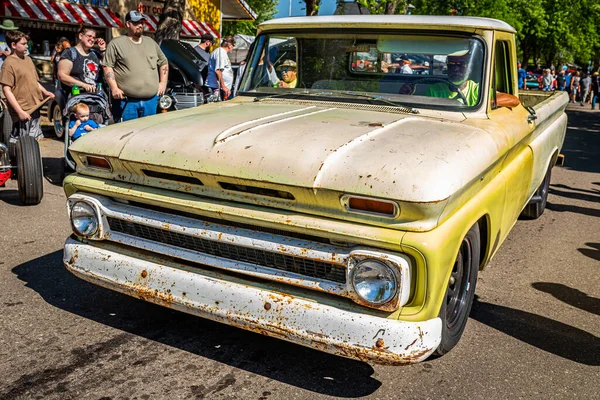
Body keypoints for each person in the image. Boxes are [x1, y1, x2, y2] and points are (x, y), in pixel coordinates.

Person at [102, 11, 168, 122]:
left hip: (151, 101)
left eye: (141, 22)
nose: (140, 25)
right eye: (136, 22)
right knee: (127, 135)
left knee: (149, 133)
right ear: (128, 24)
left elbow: (163, 62)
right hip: (127, 102)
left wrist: (163, 83)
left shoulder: (151, 43)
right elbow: (107, 66)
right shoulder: (116, 43)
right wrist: (114, 88)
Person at [0, 30, 54, 142]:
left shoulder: (28, 59)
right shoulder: (8, 63)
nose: (26, 46)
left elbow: (34, 81)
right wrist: (19, 112)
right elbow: (6, 90)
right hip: (23, 110)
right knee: (22, 145)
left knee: (34, 142)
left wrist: (45, 92)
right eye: (23, 44)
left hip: (35, 106)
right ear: (13, 45)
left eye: (26, 43)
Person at [57, 27, 105, 95]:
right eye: (89, 36)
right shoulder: (70, 53)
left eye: (94, 38)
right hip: (76, 95)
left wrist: (103, 49)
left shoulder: (95, 54)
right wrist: (83, 85)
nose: (92, 39)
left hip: (96, 97)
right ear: (80, 36)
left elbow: (107, 66)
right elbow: (62, 75)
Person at [206, 35, 235, 101]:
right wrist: (223, 86)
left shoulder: (221, 52)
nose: (233, 47)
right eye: (233, 45)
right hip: (217, 88)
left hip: (220, 88)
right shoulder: (221, 53)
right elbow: (218, 71)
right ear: (229, 45)